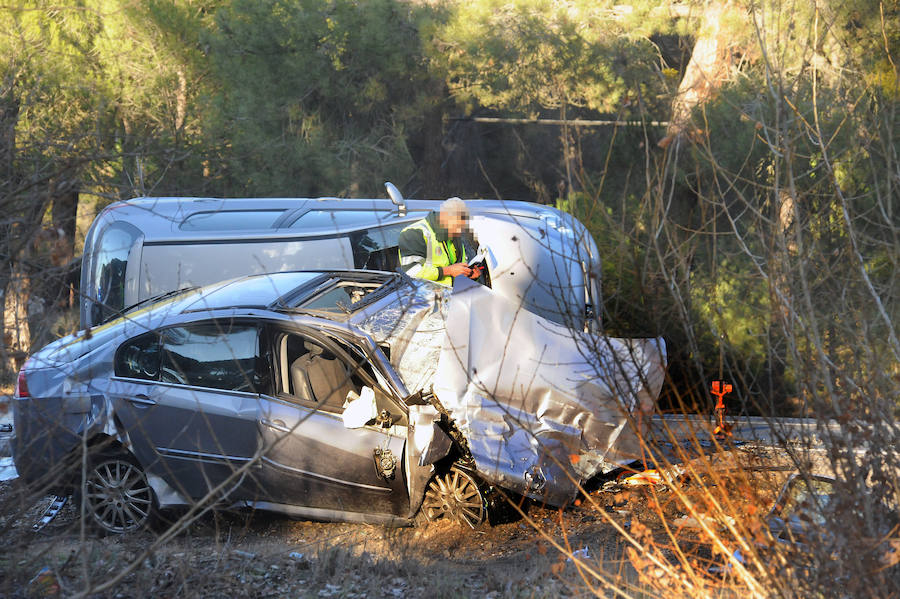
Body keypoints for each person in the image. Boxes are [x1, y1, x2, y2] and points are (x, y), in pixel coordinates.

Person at [397, 197, 481, 287]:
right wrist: (447, 271)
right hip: (425, 298)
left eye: (462, 227)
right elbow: (411, 272)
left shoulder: (453, 235)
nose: (459, 231)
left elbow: (455, 273)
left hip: (451, 296)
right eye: (457, 226)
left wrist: (469, 275)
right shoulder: (414, 233)